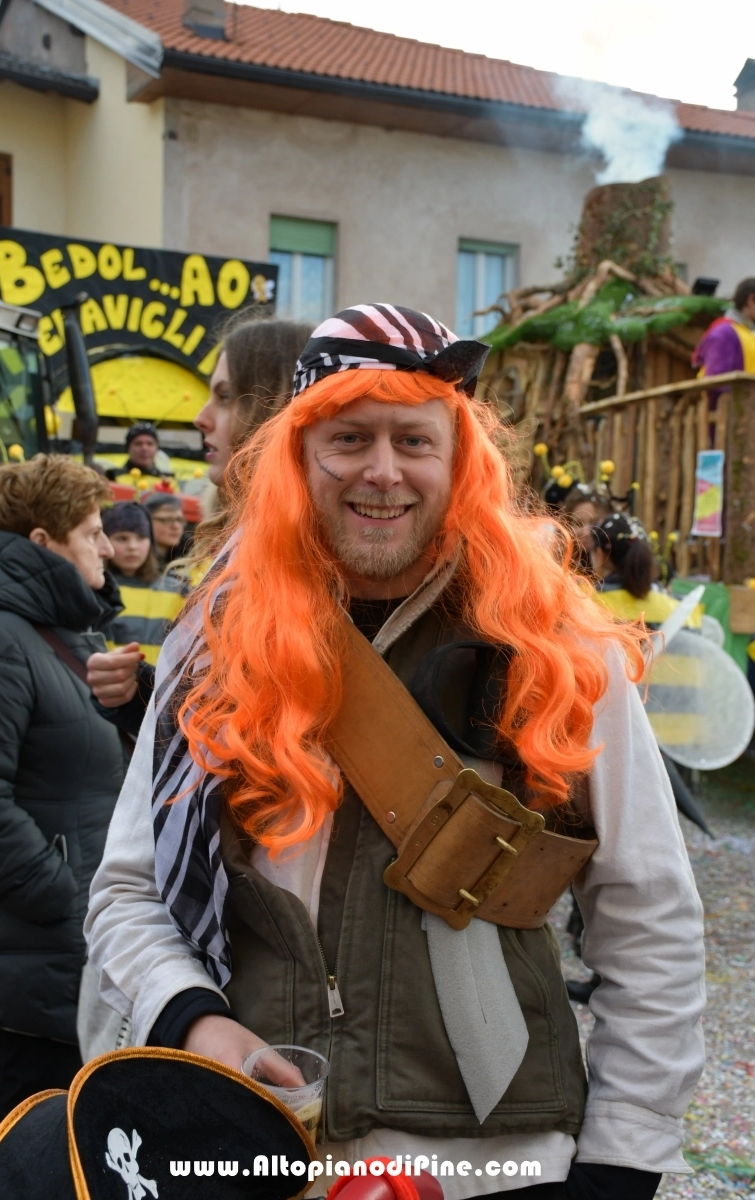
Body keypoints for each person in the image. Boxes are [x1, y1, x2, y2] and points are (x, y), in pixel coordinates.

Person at [86, 305, 705, 1200]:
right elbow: (128, 891)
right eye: (349, 438)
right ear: (299, 457)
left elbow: (649, 918)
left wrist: (623, 1159)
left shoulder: (557, 644)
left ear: (460, 462)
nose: (382, 471)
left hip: (491, 1170)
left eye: (414, 440)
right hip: (260, 1149)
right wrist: (191, 1021)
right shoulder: (216, 640)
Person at [0, 455, 126, 1138]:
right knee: (17, 1159)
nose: (107, 547)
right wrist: (57, 893)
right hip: (15, 972)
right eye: (92, 532)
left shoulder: (49, 629)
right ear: (43, 541)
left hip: (52, 955)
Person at [87, 315, 312, 721]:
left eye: (225, 397)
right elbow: (224, 716)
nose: (201, 417)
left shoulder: (311, 562)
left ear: (274, 408)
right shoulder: (249, 545)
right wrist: (143, 693)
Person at [102, 502, 186, 665]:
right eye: (122, 538)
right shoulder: (95, 590)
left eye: (141, 538)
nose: (132, 547)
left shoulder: (177, 590)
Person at [692, 277, 755, 417]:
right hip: (729, 421)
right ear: (751, 300)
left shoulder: (748, 333)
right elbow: (716, 384)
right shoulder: (724, 332)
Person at [109, 422, 176, 486]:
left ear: (157, 448)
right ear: (128, 448)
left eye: (150, 444)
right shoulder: (113, 476)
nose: (144, 448)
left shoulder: (168, 480)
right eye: (138, 444)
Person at [142, 492, 189, 566]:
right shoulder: (135, 561)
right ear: (146, 521)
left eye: (179, 520)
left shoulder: (191, 559)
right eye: (167, 520)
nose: (176, 526)